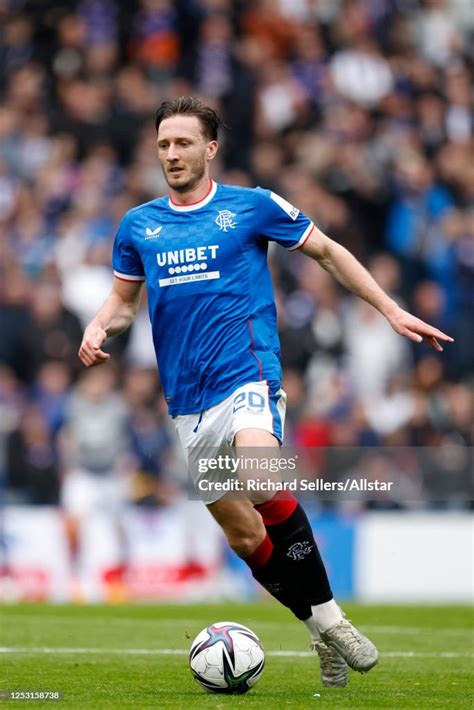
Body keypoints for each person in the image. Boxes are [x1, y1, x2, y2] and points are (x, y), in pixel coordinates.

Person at [78, 96, 453, 688]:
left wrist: (390, 308)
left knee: (260, 478)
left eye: (182, 143)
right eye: (163, 145)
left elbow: (327, 252)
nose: (171, 154)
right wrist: (100, 325)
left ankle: (335, 620)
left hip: (248, 376)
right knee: (246, 535)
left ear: (210, 148)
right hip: (186, 403)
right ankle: (318, 631)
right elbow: (124, 302)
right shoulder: (138, 225)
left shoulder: (251, 208)